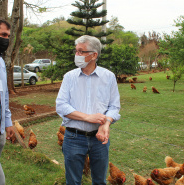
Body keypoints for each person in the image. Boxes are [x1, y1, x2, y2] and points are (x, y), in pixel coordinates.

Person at [56, 35, 121, 185]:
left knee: (99, 181)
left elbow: (114, 106)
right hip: (73, 137)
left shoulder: (109, 77)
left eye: (81, 51)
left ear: (94, 55)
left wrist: (106, 124)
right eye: (76, 51)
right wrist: (87, 117)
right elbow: (61, 106)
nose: (77, 55)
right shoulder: (69, 77)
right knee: (72, 181)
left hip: (99, 139)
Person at [0, 16, 14, 185]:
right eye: (3, 34)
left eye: (8, 36)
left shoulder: (0, 62)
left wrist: (8, 122)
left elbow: (3, 95)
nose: (6, 39)